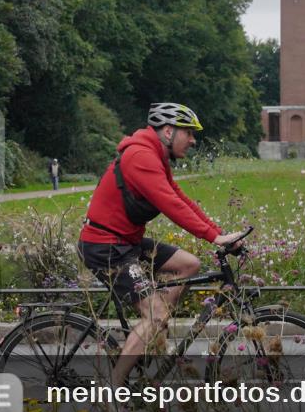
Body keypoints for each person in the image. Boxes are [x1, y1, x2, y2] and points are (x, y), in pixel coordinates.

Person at [77, 102, 244, 387]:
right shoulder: (140, 157)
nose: (193, 140)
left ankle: (152, 332)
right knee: (155, 314)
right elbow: (170, 205)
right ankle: (113, 389)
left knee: (189, 265)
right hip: (106, 246)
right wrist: (213, 237)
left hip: (125, 241)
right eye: (188, 133)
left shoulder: (155, 156)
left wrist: (220, 233)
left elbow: (180, 198)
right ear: (168, 131)